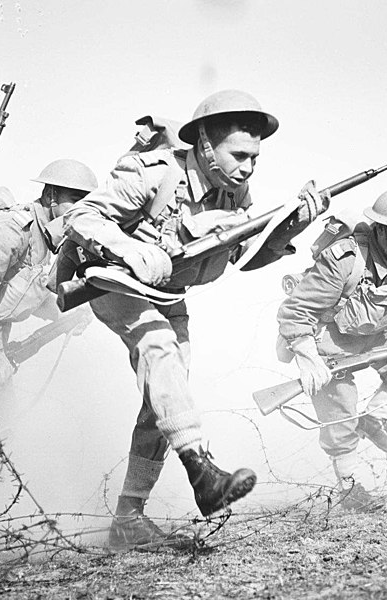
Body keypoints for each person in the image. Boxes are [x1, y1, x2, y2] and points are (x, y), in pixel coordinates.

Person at [58, 89, 329, 551]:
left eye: (254, 158)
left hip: (168, 291)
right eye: (239, 155)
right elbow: (82, 216)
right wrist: (132, 249)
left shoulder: (236, 190)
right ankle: (201, 469)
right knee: (158, 347)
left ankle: (128, 516)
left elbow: (244, 255)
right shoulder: (155, 174)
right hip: (113, 282)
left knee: (166, 392)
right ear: (205, 145)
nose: (247, 167)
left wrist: (294, 224)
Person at [276, 188, 387, 510]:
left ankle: (375, 418)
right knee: (341, 409)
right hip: (328, 338)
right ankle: (348, 486)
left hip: (373, 333)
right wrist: (308, 357)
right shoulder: (344, 259)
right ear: (382, 230)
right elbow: (296, 311)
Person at [0, 160, 98, 432]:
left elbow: (23, 294)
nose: (80, 210)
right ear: (50, 196)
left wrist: (64, 315)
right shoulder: (13, 228)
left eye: (87, 204)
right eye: (75, 199)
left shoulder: (46, 242)